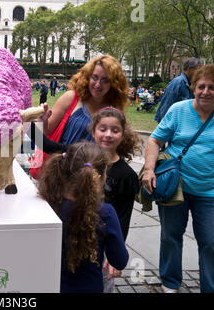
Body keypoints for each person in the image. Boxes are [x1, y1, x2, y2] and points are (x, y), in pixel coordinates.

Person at [142, 64, 214, 293]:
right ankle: (170, 281)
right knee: (171, 236)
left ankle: (209, 286)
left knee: (210, 241)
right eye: (201, 86)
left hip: (209, 191)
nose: (206, 91)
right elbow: (155, 140)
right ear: (193, 88)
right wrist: (149, 170)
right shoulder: (179, 110)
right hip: (176, 186)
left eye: (212, 87)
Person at [38, 142, 129, 293]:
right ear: (100, 178)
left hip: (49, 285)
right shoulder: (104, 213)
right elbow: (120, 260)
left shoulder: (48, 205)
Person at [90, 107, 142, 292]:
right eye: (102, 129)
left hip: (104, 244)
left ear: (123, 134)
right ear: (94, 130)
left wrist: (115, 255)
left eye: (115, 130)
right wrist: (36, 124)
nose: (108, 134)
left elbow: (123, 217)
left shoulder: (126, 175)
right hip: (79, 239)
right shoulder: (82, 160)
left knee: (103, 285)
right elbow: (50, 146)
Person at [38, 55, 129, 146]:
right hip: (63, 159)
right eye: (94, 77)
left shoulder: (114, 109)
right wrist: (42, 122)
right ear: (87, 77)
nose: (98, 85)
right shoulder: (71, 98)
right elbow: (45, 133)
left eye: (105, 80)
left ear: (114, 83)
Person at [154, 57, 202, 123]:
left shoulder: (192, 84)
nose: (200, 73)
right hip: (172, 126)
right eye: (198, 69)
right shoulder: (177, 83)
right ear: (189, 69)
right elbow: (166, 107)